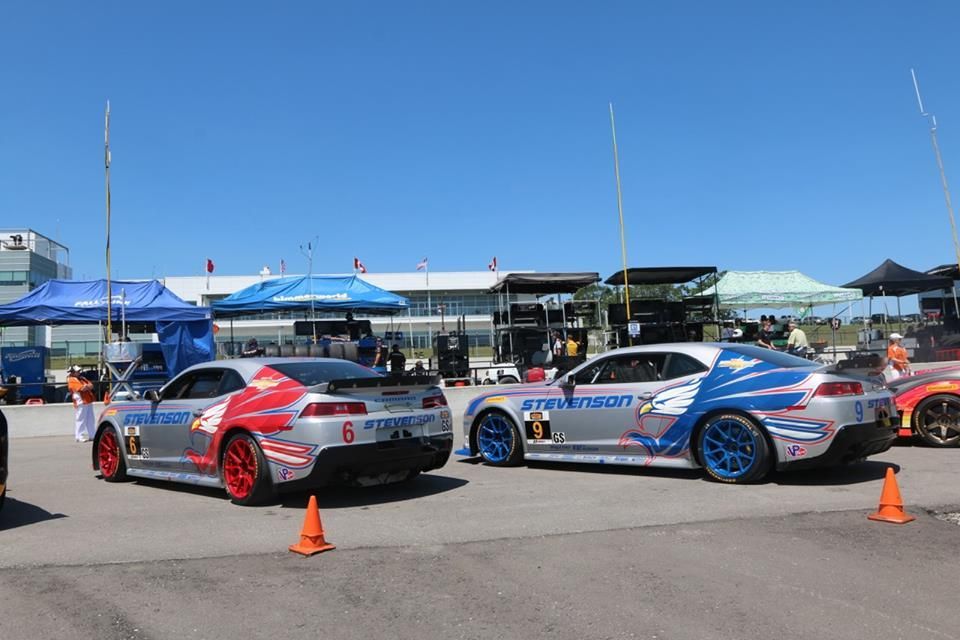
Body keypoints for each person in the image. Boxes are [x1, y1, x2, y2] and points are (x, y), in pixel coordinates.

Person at [67, 365, 95, 443]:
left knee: (90, 419)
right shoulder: (71, 380)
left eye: (79, 371)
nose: (79, 372)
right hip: (81, 401)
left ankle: (92, 435)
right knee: (80, 419)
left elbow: (91, 385)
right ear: (72, 372)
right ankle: (79, 436)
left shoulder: (82, 378)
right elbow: (81, 388)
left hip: (88, 400)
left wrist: (86, 386)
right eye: (77, 371)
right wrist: (86, 386)